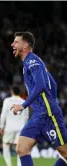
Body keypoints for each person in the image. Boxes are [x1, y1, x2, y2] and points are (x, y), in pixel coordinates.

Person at [10, 31, 67, 166]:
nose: (12, 44)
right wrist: (49, 101)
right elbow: (52, 83)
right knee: (22, 149)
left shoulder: (32, 61)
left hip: (47, 115)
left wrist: (24, 105)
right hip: (39, 114)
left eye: (16, 42)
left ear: (25, 45)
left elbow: (41, 85)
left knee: (65, 153)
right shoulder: (31, 62)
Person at [0, 85, 29, 166]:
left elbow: (3, 114)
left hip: (9, 127)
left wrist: (1, 126)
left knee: (6, 145)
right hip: (21, 127)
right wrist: (25, 129)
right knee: (19, 148)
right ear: (19, 93)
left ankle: (9, 165)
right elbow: (26, 117)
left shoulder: (7, 100)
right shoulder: (24, 101)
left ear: (12, 91)